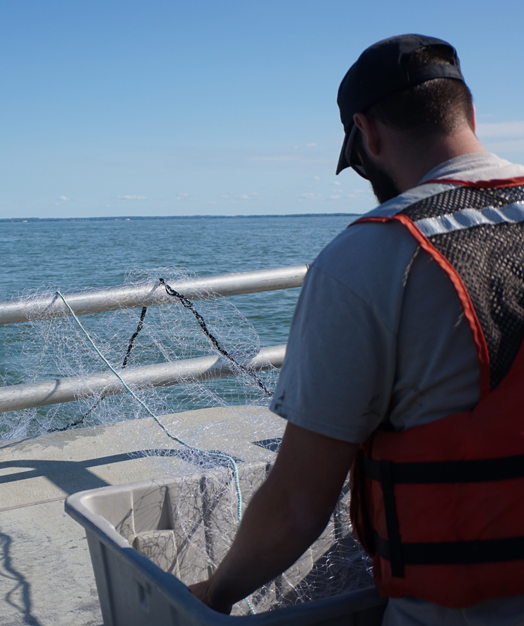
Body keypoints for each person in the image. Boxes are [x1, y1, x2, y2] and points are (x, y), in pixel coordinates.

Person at [188, 34, 524, 624]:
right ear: (470, 114)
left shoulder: (369, 257)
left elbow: (297, 505)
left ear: (367, 136)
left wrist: (214, 594)